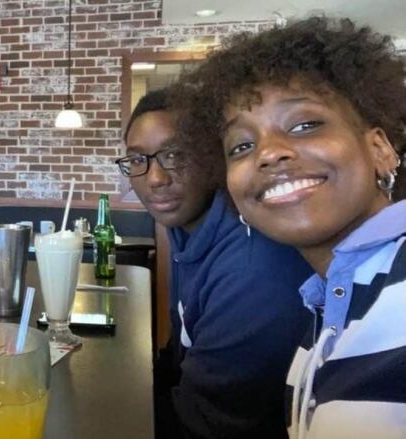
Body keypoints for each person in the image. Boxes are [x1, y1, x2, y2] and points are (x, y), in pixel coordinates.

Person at [178, 16, 406, 438]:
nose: (269, 154)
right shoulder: (321, 316)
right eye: (242, 146)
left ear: (380, 150)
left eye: (304, 125)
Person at [117, 88, 313, 438]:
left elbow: (203, 425)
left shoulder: (253, 268)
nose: (155, 178)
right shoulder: (187, 232)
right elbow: (177, 356)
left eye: (175, 154)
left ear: (213, 156)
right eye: (136, 160)